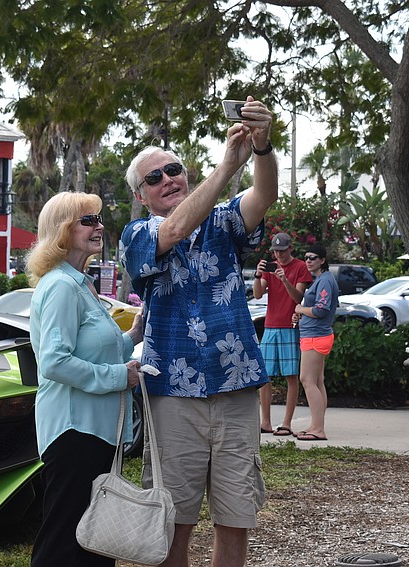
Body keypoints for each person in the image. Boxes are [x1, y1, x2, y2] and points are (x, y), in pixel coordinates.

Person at [121, 96, 276, 567]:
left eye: (173, 169)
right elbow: (173, 232)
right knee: (174, 520)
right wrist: (228, 166)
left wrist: (263, 148)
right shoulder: (137, 236)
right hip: (173, 395)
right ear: (141, 196)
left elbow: (263, 197)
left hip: (236, 388)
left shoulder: (224, 219)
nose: (168, 179)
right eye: (155, 177)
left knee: (235, 518)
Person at [28, 192, 144, 567]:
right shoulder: (61, 286)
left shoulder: (80, 284)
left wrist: (132, 339)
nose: (99, 227)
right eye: (87, 221)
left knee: (94, 541)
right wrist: (118, 377)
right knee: (65, 541)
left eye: (98, 219)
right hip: (74, 431)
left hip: (94, 431)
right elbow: (55, 362)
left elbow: (95, 350)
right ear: (63, 231)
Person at [254, 232, 312, 436]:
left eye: (282, 250)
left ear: (290, 248)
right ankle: (266, 422)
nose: (278, 255)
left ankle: (286, 423)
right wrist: (259, 275)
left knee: (291, 376)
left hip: (290, 326)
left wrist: (285, 280)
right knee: (265, 377)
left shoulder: (300, 267)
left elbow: (298, 297)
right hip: (270, 325)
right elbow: (258, 294)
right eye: (275, 251)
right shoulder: (270, 267)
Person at [292, 243, 338, 441]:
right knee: (317, 382)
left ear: (322, 260)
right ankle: (315, 425)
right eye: (306, 257)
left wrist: (300, 310)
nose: (308, 261)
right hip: (313, 334)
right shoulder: (320, 280)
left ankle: (318, 429)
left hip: (316, 336)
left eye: (312, 257)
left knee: (307, 380)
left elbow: (320, 310)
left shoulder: (325, 280)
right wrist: (300, 316)